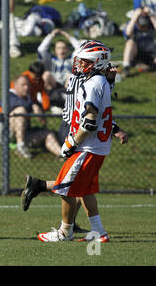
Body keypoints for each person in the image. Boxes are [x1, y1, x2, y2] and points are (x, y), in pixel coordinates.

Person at [22, 41, 129, 234]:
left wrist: (109, 80)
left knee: (77, 182)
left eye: (83, 61)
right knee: (74, 182)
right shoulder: (90, 79)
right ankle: (70, 225)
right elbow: (91, 112)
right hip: (75, 128)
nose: (79, 64)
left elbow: (95, 109)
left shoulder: (89, 78)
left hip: (80, 129)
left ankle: (65, 220)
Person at [7, 75, 61, 159]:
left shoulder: (29, 98)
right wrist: (33, 106)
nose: (26, 87)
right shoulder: (9, 96)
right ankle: (20, 146)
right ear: (15, 86)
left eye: (28, 85)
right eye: (23, 85)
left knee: (48, 134)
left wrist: (36, 107)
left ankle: (62, 154)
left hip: (25, 133)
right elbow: (22, 106)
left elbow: (42, 110)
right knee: (21, 111)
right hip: (8, 135)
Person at [37, 28, 81, 110]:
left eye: (64, 48)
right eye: (59, 48)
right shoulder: (50, 59)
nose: (61, 51)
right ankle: (42, 99)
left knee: (72, 75)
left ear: (67, 49)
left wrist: (67, 36)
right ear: (55, 50)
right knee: (46, 74)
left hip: (66, 86)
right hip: (53, 84)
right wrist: (51, 36)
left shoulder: (71, 59)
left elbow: (79, 48)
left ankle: (68, 100)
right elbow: (41, 49)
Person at [122, 7, 156, 76]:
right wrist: (135, 17)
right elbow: (128, 33)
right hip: (137, 54)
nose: (143, 27)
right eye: (141, 25)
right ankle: (126, 68)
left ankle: (152, 67)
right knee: (130, 43)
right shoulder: (132, 25)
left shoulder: (151, 24)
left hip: (151, 54)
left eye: (145, 25)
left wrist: (151, 15)